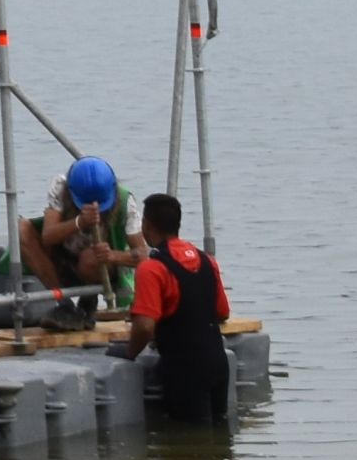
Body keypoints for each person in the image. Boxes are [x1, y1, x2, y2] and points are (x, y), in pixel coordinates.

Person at [118, 192, 232, 425]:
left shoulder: (152, 268)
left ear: (146, 225)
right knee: (221, 442)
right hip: (218, 363)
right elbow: (222, 312)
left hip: (185, 369)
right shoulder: (207, 260)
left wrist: (129, 353)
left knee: (191, 444)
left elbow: (144, 327)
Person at [17, 155, 148, 331]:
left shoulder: (125, 202)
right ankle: (65, 304)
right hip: (62, 262)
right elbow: (48, 236)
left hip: (98, 268)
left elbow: (143, 255)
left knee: (89, 258)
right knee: (22, 230)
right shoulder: (61, 188)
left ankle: (89, 300)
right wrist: (79, 222)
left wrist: (112, 256)